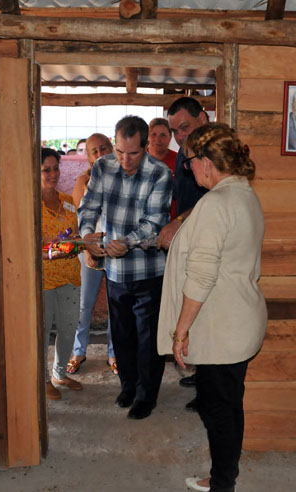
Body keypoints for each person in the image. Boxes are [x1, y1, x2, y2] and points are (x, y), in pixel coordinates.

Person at [157, 123, 267, 492]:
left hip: (224, 325)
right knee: (223, 404)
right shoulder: (243, 194)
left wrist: (180, 332)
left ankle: (222, 484)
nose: (189, 170)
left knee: (219, 409)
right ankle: (222, 476)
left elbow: (201, 276)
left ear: (205, 162)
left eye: (189, 163)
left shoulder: (217, 203)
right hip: (239, 318)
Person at [79, 116, 172, 420]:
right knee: (121, 335)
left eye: (132, 153)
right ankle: (128, 386)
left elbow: (155, 221)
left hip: (148, 271)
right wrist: (87, 235)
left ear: (145, 146)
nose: (124, 159)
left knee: (148, 338)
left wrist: (127, 242)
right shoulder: (103, 166)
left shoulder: (160, 173)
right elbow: (89, 205)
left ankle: (147, 396)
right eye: (119, 151)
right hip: (116, 272)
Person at [160, 96, 211, 411]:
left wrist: (178, 222)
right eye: (174, 130)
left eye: (185, 128)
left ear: (203, 119)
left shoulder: (216, 155)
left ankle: (208, 391)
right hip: (187, 242)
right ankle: (201, 373)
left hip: (207, 243)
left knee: (204, 313)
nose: (179, 136)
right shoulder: (182, 156)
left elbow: (213, 199)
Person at [67, 133, 118, 376]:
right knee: (84, 304)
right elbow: (80, 221)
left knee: (115, 304)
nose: (100, 154)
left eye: (103, 148)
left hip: (118, 250)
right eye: (94, 151)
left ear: (112, 148)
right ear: (88, 157)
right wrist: (87, 249)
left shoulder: (124, 178)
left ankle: (114, 353)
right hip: (90, 250)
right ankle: (79, 350)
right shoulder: (83, 181)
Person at [40, 148, 84, 401]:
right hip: (44, 278)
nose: (53, 174)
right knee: (43, 330)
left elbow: (75, 235)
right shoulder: (29, 205)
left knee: (69, 328)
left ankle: (59, 373)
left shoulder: (68, 201)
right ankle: (43, 380)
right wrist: (67, 246)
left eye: (55, 168)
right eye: (46, 169)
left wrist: (76, 243)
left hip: (70, 274)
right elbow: (39, 247)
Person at [147, 117, 179, 219]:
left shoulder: (179, 160)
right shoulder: (138, 159)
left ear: (170, 137)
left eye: (163, 135)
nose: (158, 139)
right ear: (148, 137)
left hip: (171, 222)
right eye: (154, 135)